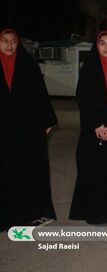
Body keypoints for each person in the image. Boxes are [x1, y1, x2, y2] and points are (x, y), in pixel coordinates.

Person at [69, 30, 107, 225]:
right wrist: (97, 124)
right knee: (95, 173)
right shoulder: (89, 69)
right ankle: (97, 214)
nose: (106, 47)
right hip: (93, 131)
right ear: (96, 46)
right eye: (102, 43)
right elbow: (84, 100)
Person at [0, 28, 57, 230]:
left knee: (27, 172)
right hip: (3, 133)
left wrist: (46, 122)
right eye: (5, 41)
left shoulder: (27, 66)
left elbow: (40, 96)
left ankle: (29, 214)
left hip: (26, 133)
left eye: (13, 41)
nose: (9, 45)